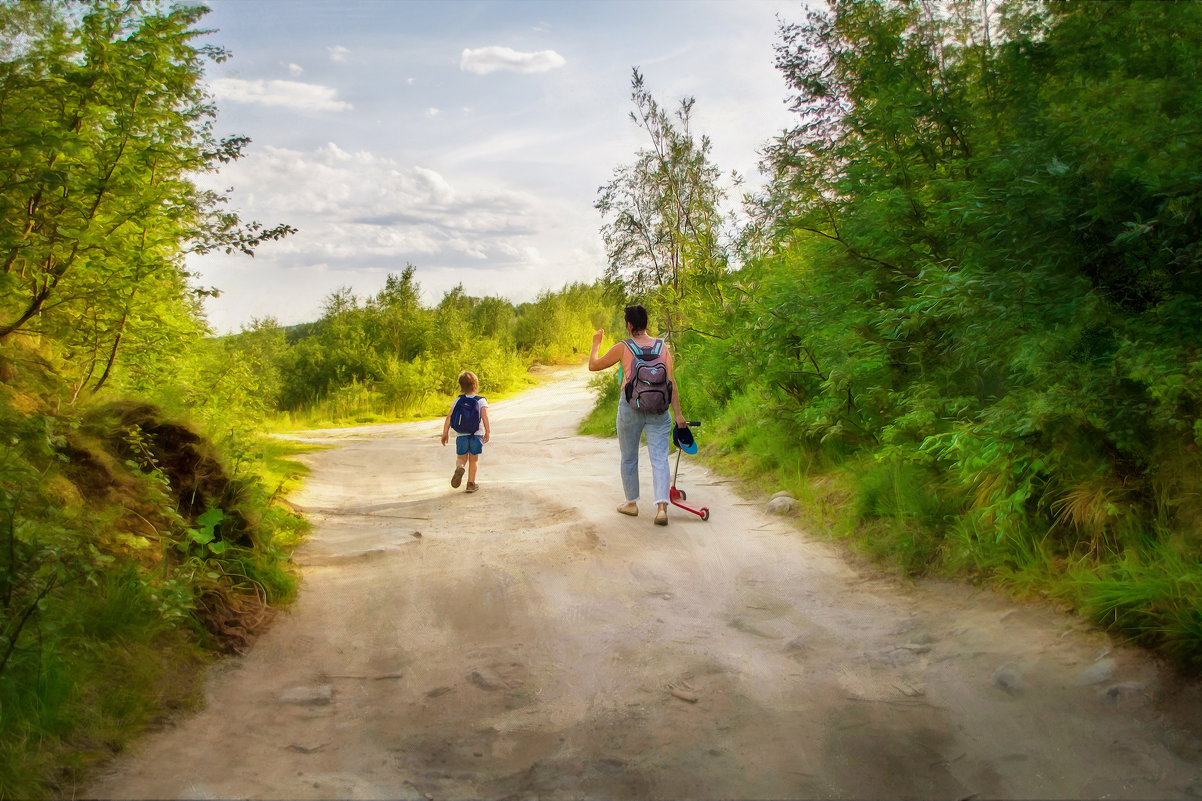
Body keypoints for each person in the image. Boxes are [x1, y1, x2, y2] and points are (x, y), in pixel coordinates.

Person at [588, 305, 686, 525]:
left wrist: (596, 343)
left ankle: (631, 503)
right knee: (659, 458)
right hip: (660, 408)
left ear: (629, 325)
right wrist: (678, 414)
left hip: (630, 407)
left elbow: (593, 365)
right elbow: (671, 383)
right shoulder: (663, 346)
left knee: (629, 456)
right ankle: (661, 507)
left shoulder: (624, 347)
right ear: (646, 323)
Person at [441, 370, 490, 493]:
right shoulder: (481, 400)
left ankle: (460, 467)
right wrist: (488, 431)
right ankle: (471, 484)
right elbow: (485, 417)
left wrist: (445, 433)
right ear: (475, 384)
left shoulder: (458, 400)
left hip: (462, 434)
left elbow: (449, 417)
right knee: (474, 460)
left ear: (461, 386)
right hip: (476, 435)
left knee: (461, 458)